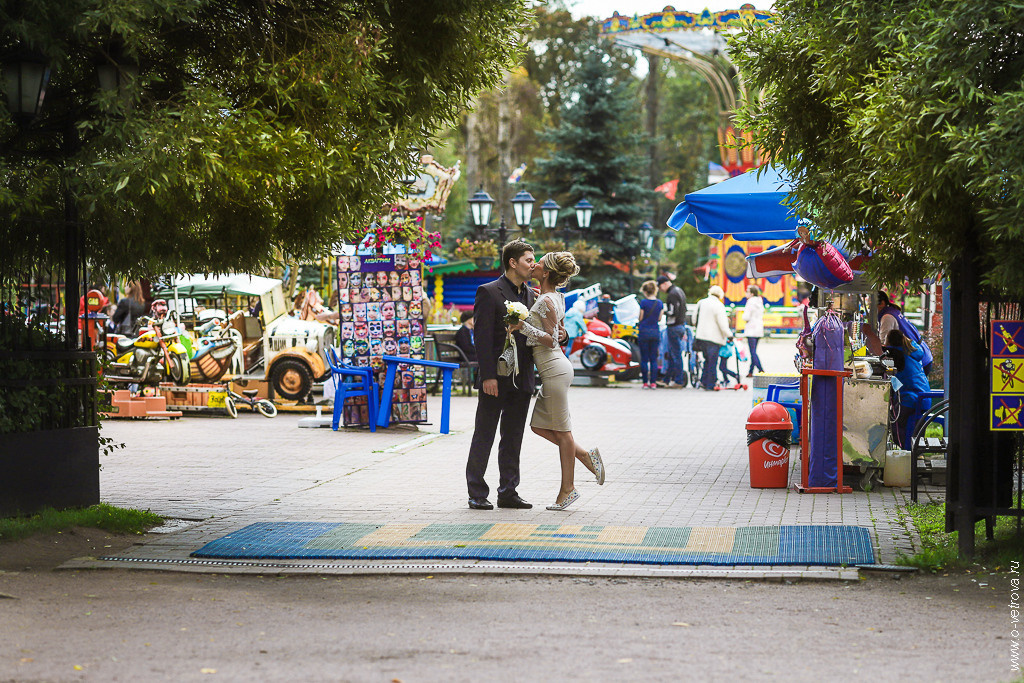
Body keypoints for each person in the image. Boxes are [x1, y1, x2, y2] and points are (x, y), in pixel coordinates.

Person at [466, 239, 565, 511]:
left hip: (523, 379)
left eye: (534, 260)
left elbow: (546, 333)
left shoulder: (533, 296)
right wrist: (487, 376)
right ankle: (477, 492)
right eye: (528, 260)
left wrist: (562, 334)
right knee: (484, 434)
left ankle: (508, 492)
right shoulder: (489, 292)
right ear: (513, 262)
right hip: (495, 378)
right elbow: (482, 338)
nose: (533, 265)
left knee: (513, 437)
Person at [510, 251, 604, 510]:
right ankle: (585, 456)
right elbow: (559, 332)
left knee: (563, 434)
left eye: (539, 263)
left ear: (547, 272)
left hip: (554, 369)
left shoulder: (546, 300)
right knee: (538, 427)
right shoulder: (554, 297)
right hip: (553, 368)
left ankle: (568, 490)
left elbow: (551, 340)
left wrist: (522, 326)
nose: (534, 265)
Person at [884, 328, 931, 448]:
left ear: (890, 342)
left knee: (893, 424)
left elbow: (880, 353)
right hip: (924, 398)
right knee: (911, 428)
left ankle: (905, 451)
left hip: (912, 398)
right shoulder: (911, 350)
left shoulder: (897, 354)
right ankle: (913, 450)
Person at [878, 291, 933, 374]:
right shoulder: (892, 311)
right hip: (922, 354)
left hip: (918, 359)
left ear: (882, 303)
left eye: (871, 305)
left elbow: (882, 345)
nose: (870, 309)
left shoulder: (887, 317)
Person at [693, 285, 731, 391]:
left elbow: (694, 319)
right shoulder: (719, 305)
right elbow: (723, 324)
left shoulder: (701, 302)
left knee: (707, 359)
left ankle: (704, 381)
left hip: (701, 336)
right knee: (712, 361)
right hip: (714, 338)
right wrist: (729, 335)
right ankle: (710, 384)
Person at [657, 274, 687, 388]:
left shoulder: (672, 294)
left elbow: (673, 311)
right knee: (671, 354)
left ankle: (678, 381)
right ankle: (666, 379)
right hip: (681, 325)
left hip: (674, 326)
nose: (661, 290)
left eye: (660, 287)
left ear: (665, 283)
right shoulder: (679, 291)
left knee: (675, 355)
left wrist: (663, 312)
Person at [636, 280, 663, 389]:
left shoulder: (643, 302)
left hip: (644, 331)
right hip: (655, 332)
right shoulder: (659, 303)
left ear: (645, 291)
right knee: (653, 358)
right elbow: (660, 318)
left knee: (644, 358)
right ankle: (653, 383)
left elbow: (640, 317)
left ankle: (645, 383)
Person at [742, 284, 765, 376]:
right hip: (758, 329)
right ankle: (750, 372)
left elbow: (746, 316)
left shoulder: (750, 302)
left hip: (751, 329)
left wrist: (743, 317)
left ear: (751, 293)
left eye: (747, 291)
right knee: (754, 351)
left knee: (752, 352)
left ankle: (761, 370)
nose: (746, 293)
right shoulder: (759, 301)